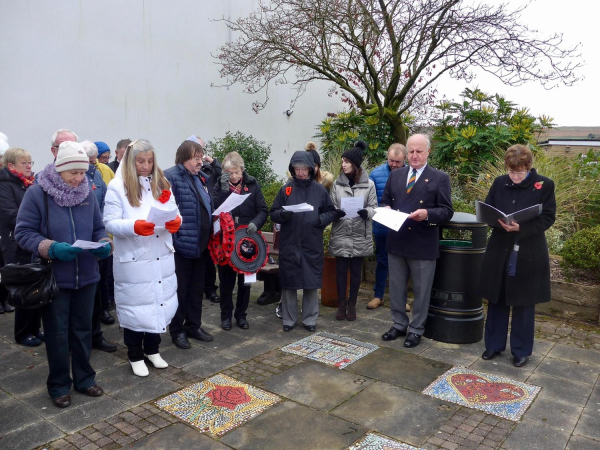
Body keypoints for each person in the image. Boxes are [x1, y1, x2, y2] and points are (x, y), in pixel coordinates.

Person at [15, 141, 112, 408]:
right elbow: (23, 233)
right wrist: (50, 248)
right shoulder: (38, 193)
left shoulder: (88, 193)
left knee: (83, 330)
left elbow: (97, 228)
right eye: (73, 173)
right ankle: (59, 385)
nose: (79, 178)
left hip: (87, 276)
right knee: (57, 334)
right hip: (55, 278)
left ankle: (85, 379)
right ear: (59, 170)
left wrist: (104, 244)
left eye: (82, 172)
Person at [104, 139, 180, 376]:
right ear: (130, 161)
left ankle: (153, 349)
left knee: (158, 303)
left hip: (161, 255)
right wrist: (134, 226)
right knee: (136, 307)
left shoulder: (161, 182)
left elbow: (174, 211)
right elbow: (110, 222)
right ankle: (135, 354)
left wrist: (177, 221)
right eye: (140, 161)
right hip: (135, 257)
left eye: (149, 161)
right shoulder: (118, 187)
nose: (146, 166)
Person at [479, 145, 556, 367]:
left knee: (524, 301)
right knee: (497, 297)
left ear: (528, 167)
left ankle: (521, 351)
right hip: (500, 248)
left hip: (528, 251)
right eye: (512, 172)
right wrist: (495, 220)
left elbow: (548, 218)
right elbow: (488, 209)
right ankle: (493, 345)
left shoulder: (544, 185)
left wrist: (521, 228)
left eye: (519, 172)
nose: (515, 177)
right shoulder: (499, 182)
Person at [380, 134, 453, 348]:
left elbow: (447, 211)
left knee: (421, 291)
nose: (414, 155)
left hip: (422, 243)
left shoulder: (440, 178)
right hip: (397, 240)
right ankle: (399, 324)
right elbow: (385, 201)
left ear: (428, 152)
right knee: (396, 287)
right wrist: (384, 209)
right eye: (410, 151)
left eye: (418, 151)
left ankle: (416, 329)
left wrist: (428, 214)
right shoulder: (396, 175)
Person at [270, 151, 336, 332]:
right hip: (290, 242)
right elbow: (273, 211)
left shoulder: (319, 190)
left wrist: (319, 220)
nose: (300, 173)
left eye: (303, 169)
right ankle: (288, 319)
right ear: (292, 169)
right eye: (297, 169)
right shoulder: (286, 189)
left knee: (311, 282)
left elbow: (331, 211)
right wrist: (281, 215)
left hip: (311, 242)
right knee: (289, 282)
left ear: (310, 169)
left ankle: (309, 319)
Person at [164, 139, 214, 350]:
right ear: (184, 158)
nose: (200, 162)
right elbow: (167, 210)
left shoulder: (200, 178)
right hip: (182, 246)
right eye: (195, 158)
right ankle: (177, 331)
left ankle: (194, 325)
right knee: (180, 291)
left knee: (196, 289)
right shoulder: (170, 176)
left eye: (201, 158)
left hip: (201, 245)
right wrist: (176, 240)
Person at [213, 152, 268, 330]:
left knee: (246, 282)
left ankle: (241, 315)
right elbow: (214, 209)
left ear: (242, 171)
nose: (234, 176)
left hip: (247, 240)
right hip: (227, 241)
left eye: (237, 172)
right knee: (226, 281)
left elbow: (262, 210)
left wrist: (256, 222)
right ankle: (226, 316)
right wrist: (222, 191)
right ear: (224, 173)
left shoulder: (252, 185)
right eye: (230, 173)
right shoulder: (219, 186)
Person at [328, 142, 377, 321]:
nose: (343, 165)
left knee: (356, 272)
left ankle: (352, 304)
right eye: (342, 161)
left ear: (355, 164)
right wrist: (336, 212)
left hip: (359, 233)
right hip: (341, 232)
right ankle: (341, 304)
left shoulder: (369, 184)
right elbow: (331, 204)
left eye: (347, 161)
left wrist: (367, 213)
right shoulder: (337, 184)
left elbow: (374, 206)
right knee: (341, 271)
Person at [0, 148, 43, 344]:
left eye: (30, 162)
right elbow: (11, 216)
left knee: (36, 289)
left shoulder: (28, 184)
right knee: (24, 290)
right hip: (17, 244)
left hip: (31, 242)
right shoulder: (5, 186)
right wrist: (38, 222)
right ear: (11, 166)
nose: (29, 166)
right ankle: (23, 332)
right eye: (24, 163)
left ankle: (35, 327)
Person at [81, 141, 117, 353]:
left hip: (98, 236)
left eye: (94, 160)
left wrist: (102, 230)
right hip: (78, 244)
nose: (92, 164)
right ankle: (80, 337)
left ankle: (96, 331)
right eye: (90, 161)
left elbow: (103, 201)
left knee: (101, 282)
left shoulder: (98, 174)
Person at [367, 143, 408, 310]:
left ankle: (401, 299)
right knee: (382, 261)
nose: (394, 164)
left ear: (404, 159)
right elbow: (370, 200)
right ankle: (378, 296)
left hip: (404, 228)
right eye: (391, 160)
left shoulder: (411, 175)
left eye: (398, 162)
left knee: (403, 264)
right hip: (382, 226)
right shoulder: (375, 174)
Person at [198, 137, 222, 305]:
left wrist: (213, 162)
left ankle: (210, 288)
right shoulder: (189, 170)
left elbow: (225, 174)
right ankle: (198, 287)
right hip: (198, 221)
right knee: (198, 257)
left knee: (210, 257)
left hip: (212, 219)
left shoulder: (211, 169)